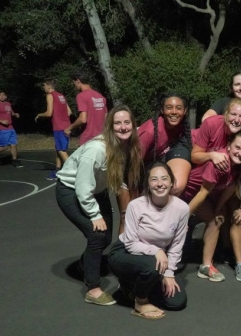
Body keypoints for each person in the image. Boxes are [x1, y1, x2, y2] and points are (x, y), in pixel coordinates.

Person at [55, 105, 143, 305]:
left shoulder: (126, 146)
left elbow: (117, 177)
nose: (122, 127)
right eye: (117, 123)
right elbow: (82, 188)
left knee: (106, 237)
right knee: (96, 234)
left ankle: (84, 264)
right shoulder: (96, 149)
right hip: (71, 190)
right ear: (110, 127)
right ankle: (92, 289)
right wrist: (95, 215)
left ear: (133, 125)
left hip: (97, 190)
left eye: (126, 122)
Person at [108, 162, 189, 320]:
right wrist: (156, 251)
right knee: (152, 266)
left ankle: (132, 286)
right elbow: (130, 243)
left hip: (155, 260)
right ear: (148, 184)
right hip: (125, 252)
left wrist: (169, 273)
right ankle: (140, 302)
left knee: (177, 302)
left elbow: (176, 246)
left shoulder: (182, 208)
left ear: (172, 182)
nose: (159, 184)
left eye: (164, 179)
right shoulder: (135, 206)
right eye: (154, 179)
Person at [184, 129, 241, 282]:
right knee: (210, 220)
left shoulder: (239, 165)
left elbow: (230, 187)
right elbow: (202, 193)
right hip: (190, 194)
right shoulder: (220, 163)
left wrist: (218, 208)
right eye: (237, 147)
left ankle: (205, 265)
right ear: (229, 146)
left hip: (207, 195)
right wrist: (183, 218)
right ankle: (204, 263)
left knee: (218, 218)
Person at [138, 93, 193, 196]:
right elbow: (132, 165)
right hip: (139, 173)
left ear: (185, 111)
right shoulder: (150, 132)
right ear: (162, 110)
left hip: (156, 168)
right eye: (169, 108)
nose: (174, 112)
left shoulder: (181, 128)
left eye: (179, 108)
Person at [35, 79, 73, 180]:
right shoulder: (61, 96)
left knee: (61, 150)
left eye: (44, 86)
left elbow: (49, 113)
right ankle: (57, 171)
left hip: (59, 126)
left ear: (49, 86)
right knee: (58, 149)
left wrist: (39, 114)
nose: (43, 88)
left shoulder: (50, 95)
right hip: (66, 125)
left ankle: (75, 171)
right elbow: (69, 112)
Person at [65, 71, 107, 145]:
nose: (73, 85)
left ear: (78, 81)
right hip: (101, 138)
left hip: (88, 138)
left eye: (73, 82)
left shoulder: (81, 96)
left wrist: (69, 128)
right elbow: (106, 118)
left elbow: (83, 119)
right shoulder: (101, 97)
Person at [0, 90, 23, 167]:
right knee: (4, 147)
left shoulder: (8, 104)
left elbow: (11, 112)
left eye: (3, 95)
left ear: (6, 96)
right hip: (2, 129)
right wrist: (1, 121)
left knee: (13, 144)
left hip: (10, 127)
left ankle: (15, 160)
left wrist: (15, 114)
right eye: (0, 95)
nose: (2, 96)